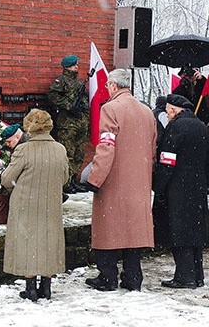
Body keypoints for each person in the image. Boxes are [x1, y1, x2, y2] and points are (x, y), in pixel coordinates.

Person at [84, 69, 157, 292]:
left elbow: (106, 146)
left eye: (107, 86)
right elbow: (152, 148)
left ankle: (107, 277)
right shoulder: (146, 112)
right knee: (133, 232)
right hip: (139, 181)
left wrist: (95, 178)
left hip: (114, 179)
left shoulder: (110, 109)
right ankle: (133, 277)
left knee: (108, 229)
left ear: (113, 86)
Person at [1, 109, 70, 301]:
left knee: (28, 242)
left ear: (29, 127)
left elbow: (7, 179)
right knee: (49, 241)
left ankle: (30, 287)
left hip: (25, 203)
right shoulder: (60, 149)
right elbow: (64, 178)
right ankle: (46, 287)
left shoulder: (24, 150)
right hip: (51, 204)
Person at [152, 94, 208, 289]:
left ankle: (185, 276)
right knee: (195, 232)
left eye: (168, 112)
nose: (167, 116)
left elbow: (167, 160)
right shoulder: (200, 125)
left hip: (178, 188)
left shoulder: (176, 127)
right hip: (197, 186)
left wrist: (158, 187)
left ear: (174, 110)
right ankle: (197, 275)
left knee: (179, 231)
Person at [47, 55, 89, 193]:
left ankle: (73, 180)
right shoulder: (61, 80)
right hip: (67, 124)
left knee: (79, 154)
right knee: (68, 154)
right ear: (67, 66)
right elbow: (53, 95)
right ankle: (65, 183)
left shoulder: (78, 83)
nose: (77, 67)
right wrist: (69, 106)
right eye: (74, 65)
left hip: (80, 122)